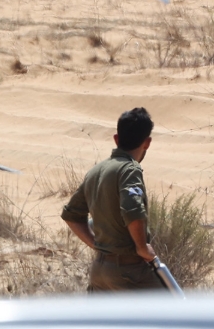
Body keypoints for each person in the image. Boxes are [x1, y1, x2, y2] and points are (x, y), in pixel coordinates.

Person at [61, 107, 162, 291]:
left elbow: (71, 216)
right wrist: (141, 247)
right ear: (147, 143)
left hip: (99, 270)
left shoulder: (96, 171)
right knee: (170, 315)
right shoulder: (130, 169)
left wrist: (96, 245)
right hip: (129, 271)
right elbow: (132, 209)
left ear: (116, 139)